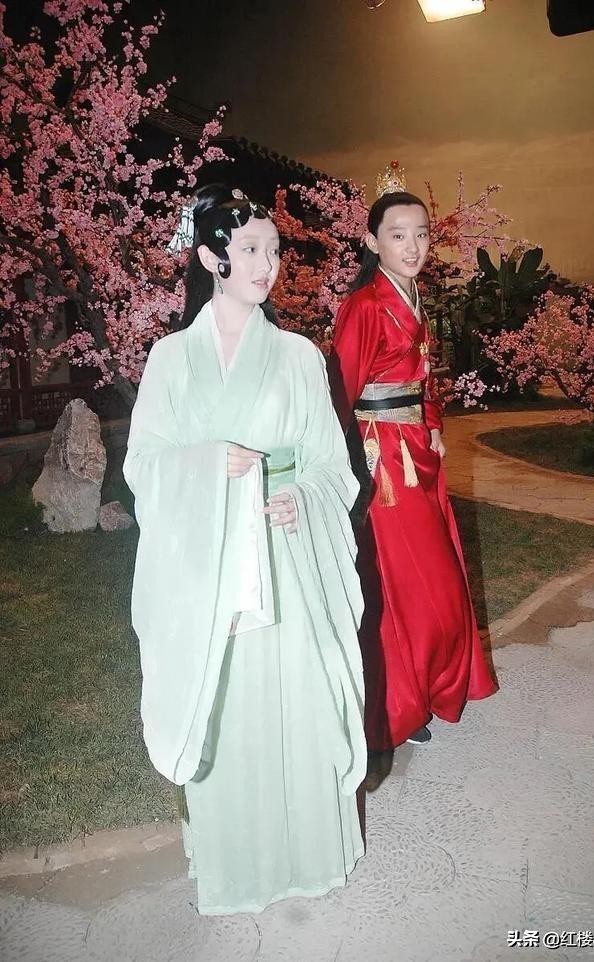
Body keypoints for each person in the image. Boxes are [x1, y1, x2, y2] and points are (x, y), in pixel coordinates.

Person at [123, 185, 366, 916]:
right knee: (225, 705)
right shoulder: (171, 358)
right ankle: (236, 862)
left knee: (293, 699)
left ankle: (308, 852)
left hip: (285, 553)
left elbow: (333, 466)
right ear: (210, 258)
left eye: (274, 249)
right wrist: (206, 464)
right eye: (252, 249)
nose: (268, 264)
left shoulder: (298, 356)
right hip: (212, 560)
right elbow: (144, 463)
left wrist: (304, 497)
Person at [329, 163, 497, 758]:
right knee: (407, 583)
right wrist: (347, 466)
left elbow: (422, 381)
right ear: (372, 241)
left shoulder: (414, 299)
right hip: (382, 463)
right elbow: (338, 393)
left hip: (417, 452)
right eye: (398, 234)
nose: (413, 246)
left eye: (421, 234)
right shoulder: (365, 305)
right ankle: (399, 702)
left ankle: (423, 688)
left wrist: (432, 425)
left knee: (434, 580)